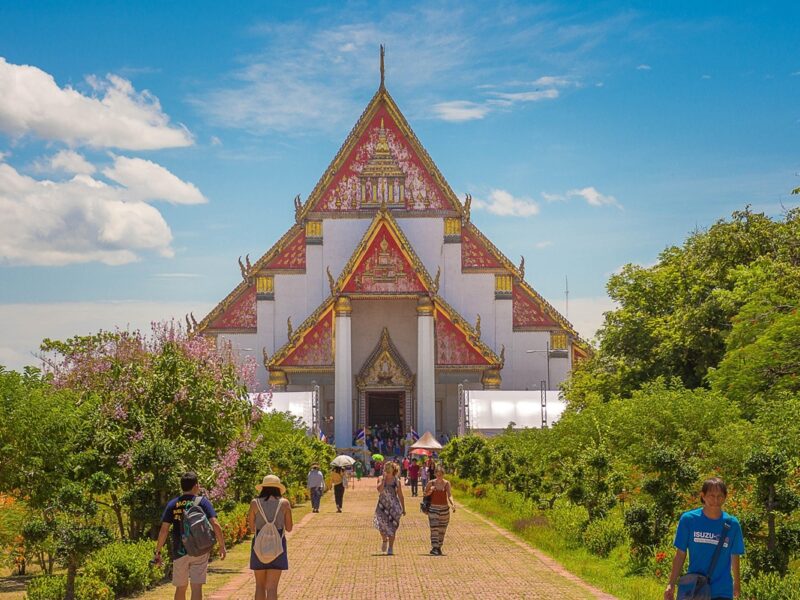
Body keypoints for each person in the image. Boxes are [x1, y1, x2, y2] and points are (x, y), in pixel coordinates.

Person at [664, 477, 745, 600]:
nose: (716, 500)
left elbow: (735, 556)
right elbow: (680, 553)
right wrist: (671, 583)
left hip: (722, 590)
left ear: (725, 497)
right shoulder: (689, 520)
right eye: (711, 495)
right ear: (703, 496)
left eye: (720, 496)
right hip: (695, 588)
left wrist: (737, 584)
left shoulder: (732, 524)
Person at [154, 472, 226, 600]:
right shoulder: (202, 502)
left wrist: (158, 551)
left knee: (181, 588)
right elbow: (215, 524)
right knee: (196, 587)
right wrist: (222, 545)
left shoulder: (173, 504)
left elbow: (164, 530)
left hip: (179, 550)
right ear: (195, 486)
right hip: (200, 549)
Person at [248, 475, 293, 600]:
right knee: (272, 587)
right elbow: (289, 528)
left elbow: (251, 528)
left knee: (259, 586)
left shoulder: (254, 503)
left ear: (263, 487)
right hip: (278, 545)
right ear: (278, 488)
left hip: (258, 545)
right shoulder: (284, 503)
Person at [373, 461, 406, 556]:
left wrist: (403, 508)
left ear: (393, 469)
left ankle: (391, 547)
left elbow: (400, 495)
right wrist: (383, 480)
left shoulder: (397, 481)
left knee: (392, 528)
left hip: (394, 507)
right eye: (385, 467)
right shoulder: (380, 478)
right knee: (381, 526)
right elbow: (379, 490)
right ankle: (384, 540)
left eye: (388, 468)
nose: (386, 469)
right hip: (382, 506)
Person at [424, 466, 456, 555]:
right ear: (435, 474)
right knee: (434, 529)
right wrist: (430, 491)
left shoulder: (446, 483)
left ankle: (439, 547)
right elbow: (425, 494)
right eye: (437, 475)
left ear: (443, 474)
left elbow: (449, 495)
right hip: (433, 509)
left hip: (444, 509)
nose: (439, 477)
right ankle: (434, 547)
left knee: (442, 529)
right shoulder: (431, 483)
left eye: (441, 475)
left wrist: (452, 504)